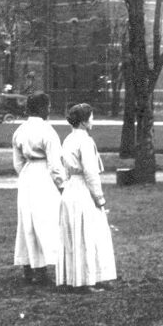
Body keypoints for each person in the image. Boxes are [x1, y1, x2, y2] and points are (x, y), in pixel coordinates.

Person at [56, 103, 117, 292]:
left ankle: (84, 277)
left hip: (70, 190)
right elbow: (91, 173)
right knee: (89, 235)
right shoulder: (85, 141)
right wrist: (99, 198)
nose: (93, 120)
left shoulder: (67, 139)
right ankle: (87, 281)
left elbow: (64, 167)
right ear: (83, 121)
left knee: (77, 235)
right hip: (82, 190)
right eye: (91, 117)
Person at [11, 92, 65, 285]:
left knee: (27, 221)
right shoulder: (48, 131)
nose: (49, 110)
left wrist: (26, 174)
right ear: (42, 108)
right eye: (48, 106)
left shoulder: (20, 131)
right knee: (46, 220)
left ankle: (29, 267)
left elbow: (17, 163)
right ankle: (41, 270)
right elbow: (55, 164)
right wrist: (62, 185)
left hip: (27, 176)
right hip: (44, 176)